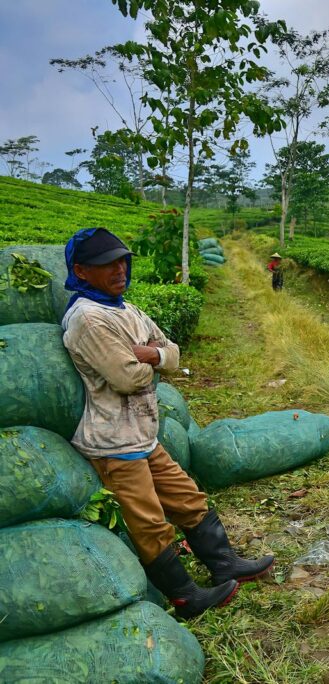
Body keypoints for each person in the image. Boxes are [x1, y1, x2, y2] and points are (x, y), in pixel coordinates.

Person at [61, 227, 274, 619]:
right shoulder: (88, 318)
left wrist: (154, 356)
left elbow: (172, 351)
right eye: (106, 264)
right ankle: (184, 596)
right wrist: (153, 360)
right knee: (149, 523)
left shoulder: (125, 309)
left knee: (188, 499)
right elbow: (127, 378)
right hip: (113, 443)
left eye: (122, 261)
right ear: (81, 270)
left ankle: (224, 564)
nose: (119, 269)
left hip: (142, 432)